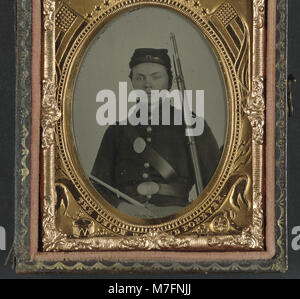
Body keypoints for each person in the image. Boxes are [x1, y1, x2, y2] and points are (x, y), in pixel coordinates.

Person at [90, 48, 220, 218]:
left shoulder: (192, 124)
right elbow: (97, 187)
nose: (148, 84)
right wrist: (122, 207)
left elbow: (217, 185)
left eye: (156, 77)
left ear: (170, 82)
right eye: (140, 78)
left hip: (177, 219)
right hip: (127, 220)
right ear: (132, 82)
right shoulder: (116, 131)